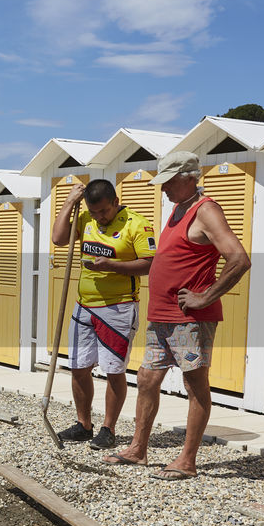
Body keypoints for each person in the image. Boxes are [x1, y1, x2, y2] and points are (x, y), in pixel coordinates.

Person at [102, 151, 250, 479]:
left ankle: (187, 459)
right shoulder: (177, 210)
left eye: (168, 181)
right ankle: (139, 449)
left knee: (194, 381)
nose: (162, 188)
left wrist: (204, 297)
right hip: (162, 316)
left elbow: (239, 259)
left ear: (188, 177)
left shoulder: (206, 210)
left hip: (189, 319)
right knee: (146, 378)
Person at [50, 179, 156, 449]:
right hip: (84, 305)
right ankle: (84, 424)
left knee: (113, 370)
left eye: (104, 212)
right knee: (78, 367)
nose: (99, 217)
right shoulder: (84, 218)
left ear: (115, 203)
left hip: (118, 308)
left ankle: (108, 429)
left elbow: (149, 264)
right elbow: (59, 239)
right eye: (94, 212)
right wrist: (69, 203)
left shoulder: (136, 224)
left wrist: (112, 265)